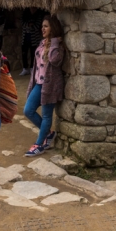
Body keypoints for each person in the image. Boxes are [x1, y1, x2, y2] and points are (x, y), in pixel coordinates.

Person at [23, 15, 65, 157]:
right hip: (39, 83)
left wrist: (53, 42)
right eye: (42, 26)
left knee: (47, 115)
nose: (43, 28)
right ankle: (48, 133)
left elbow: (54, 60)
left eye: (46, 26)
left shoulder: (58, 45)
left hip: (50, 85)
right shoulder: (42, 43)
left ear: (53, 27)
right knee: (28, 110)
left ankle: (39, 144)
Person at [20, 8, 45, 76]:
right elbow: (22, 23)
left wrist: (29, 26)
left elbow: (37, 26)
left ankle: (32, 67)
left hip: (34, 38)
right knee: (24, 53)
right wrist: (29, 25)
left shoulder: (39, 15)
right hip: (25, 37)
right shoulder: (25, 14)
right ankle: (25, 68)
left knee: (33, 53)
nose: (33, 10)